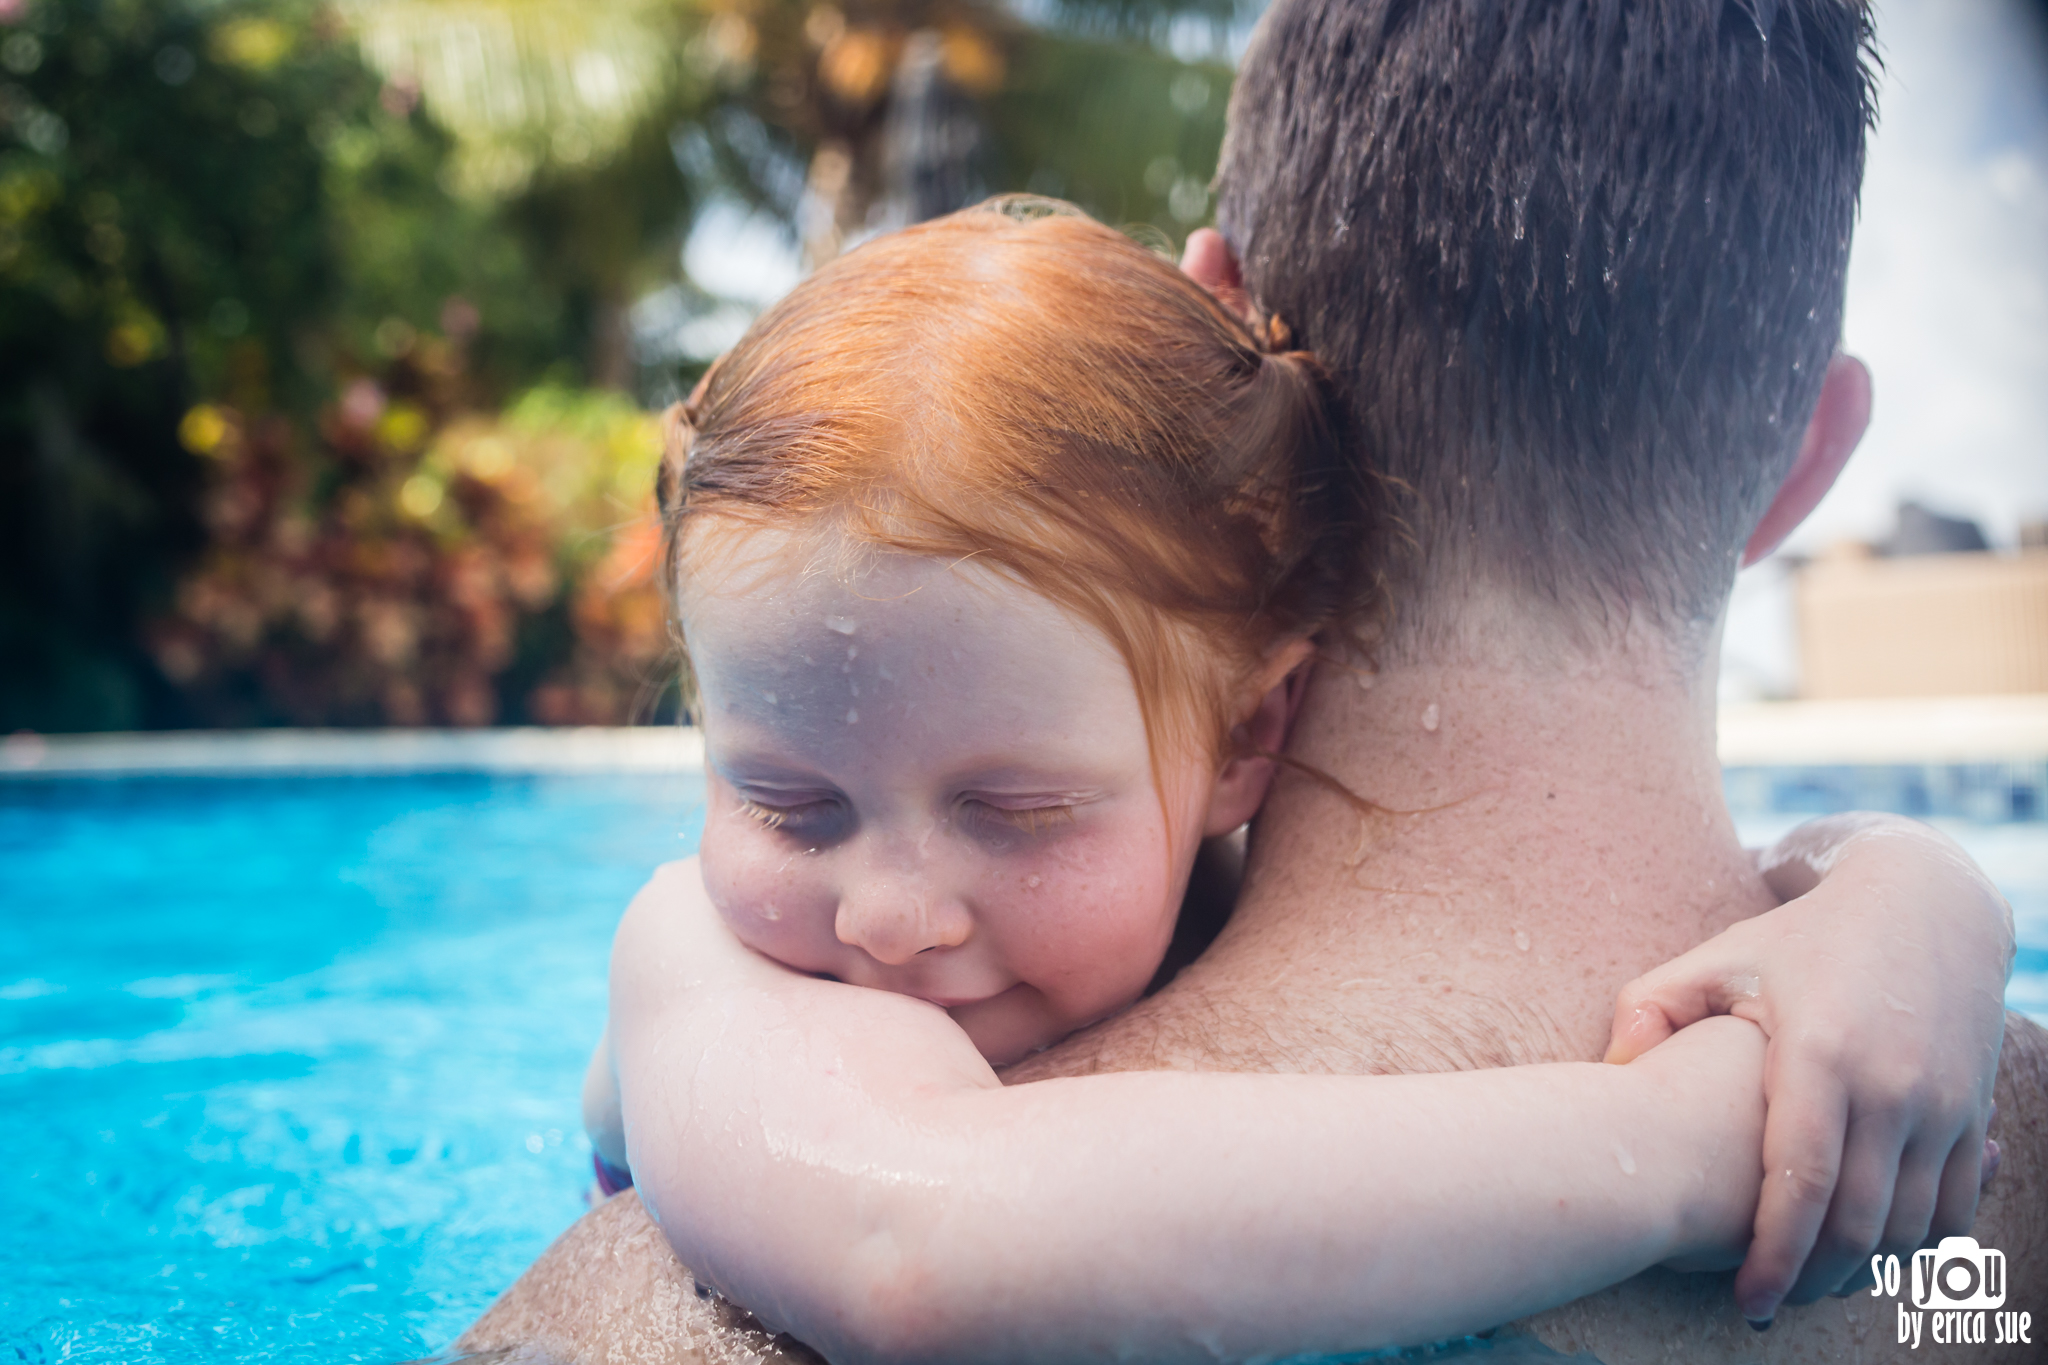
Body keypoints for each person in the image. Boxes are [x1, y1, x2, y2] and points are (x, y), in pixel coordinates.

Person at [457, 0, 2047, 1359]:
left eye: (1014, 803)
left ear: (1239, 731)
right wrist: (1694, 1145)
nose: (885, 914)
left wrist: (1912, 892)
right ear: (1807, 454)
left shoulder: (628, 1322)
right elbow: (909, 1244)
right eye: (788, 801)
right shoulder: (716, 964)